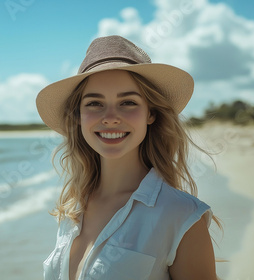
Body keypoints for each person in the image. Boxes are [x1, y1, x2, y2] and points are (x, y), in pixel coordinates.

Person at [36, 35, 221, 280]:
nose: (110, 117)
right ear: (79, 116)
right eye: (94, 103)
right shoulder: (71, 210)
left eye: (127, 102)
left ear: (150, 114)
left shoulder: (183, 216)